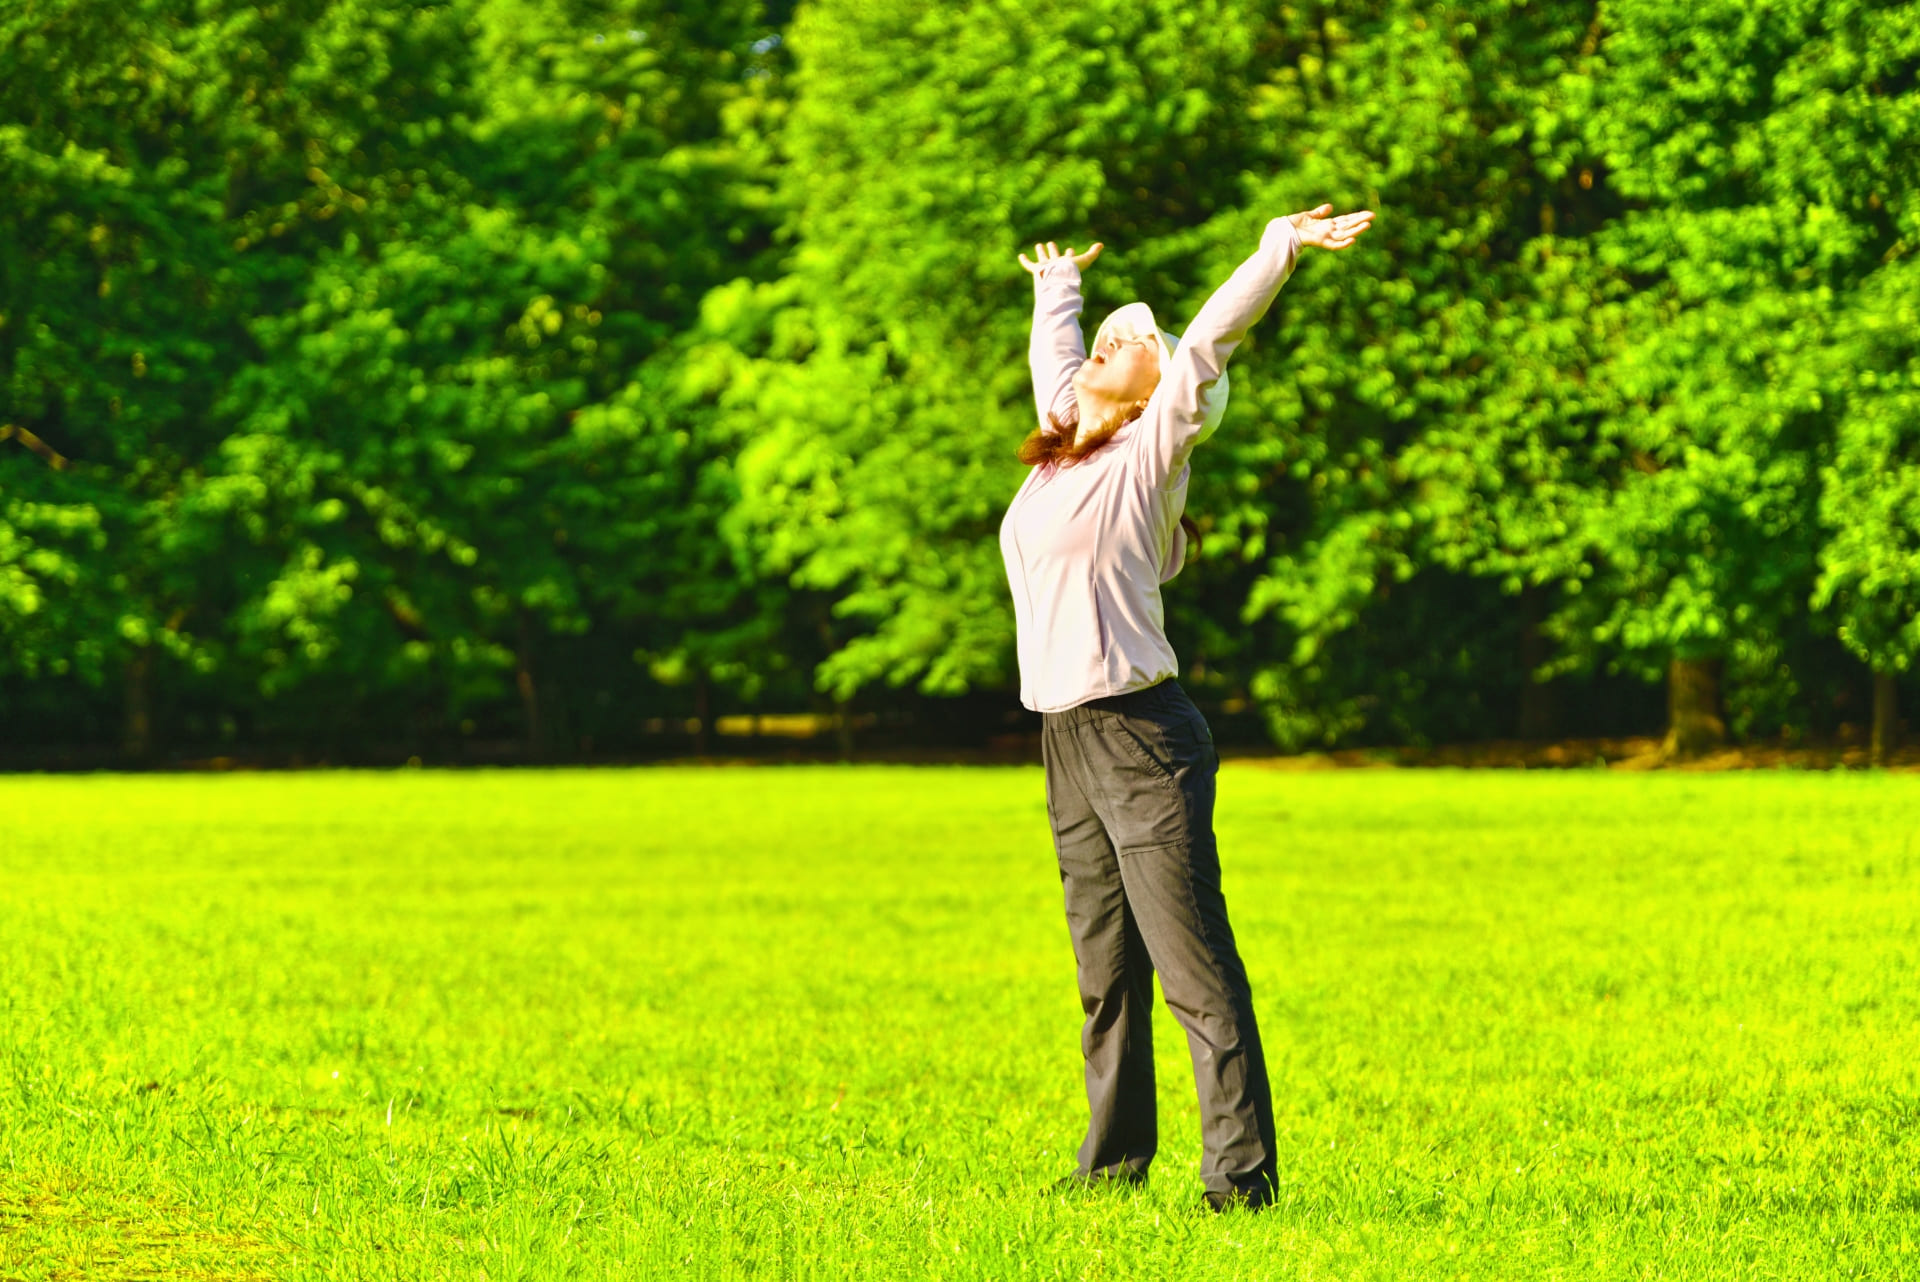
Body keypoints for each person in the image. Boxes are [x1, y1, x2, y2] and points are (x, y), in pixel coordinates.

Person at [999, 203, 1375, 1211]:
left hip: (1141, 738)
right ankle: (1113, 1166)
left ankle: (1238, 1182)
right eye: (1111, 336)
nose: (1116, 345)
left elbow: (1208, 341)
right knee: (1104, 971)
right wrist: (1060, 289)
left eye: (1136, 344)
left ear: (1160, 398)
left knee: (1191, 966)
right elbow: (1061, 362)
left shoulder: (1142, 460)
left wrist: (1276, 249)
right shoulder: (1062, 454)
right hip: (1067, 743)